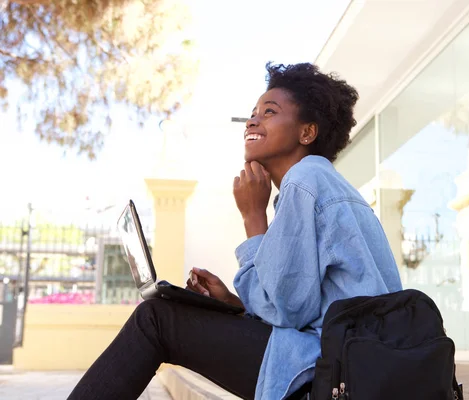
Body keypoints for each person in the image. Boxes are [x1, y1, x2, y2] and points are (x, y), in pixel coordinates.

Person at [67, 63, 402, 400]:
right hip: (347, 364)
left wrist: (253, 216)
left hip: (331, 375)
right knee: (163, 317)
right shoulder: (320, 183)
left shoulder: (305, 181)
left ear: (307, 133)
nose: (253, 121)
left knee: (156, 319)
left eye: (269, 112)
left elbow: (289, 310)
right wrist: (235, 304)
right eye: (252, 114)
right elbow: (301, 304)